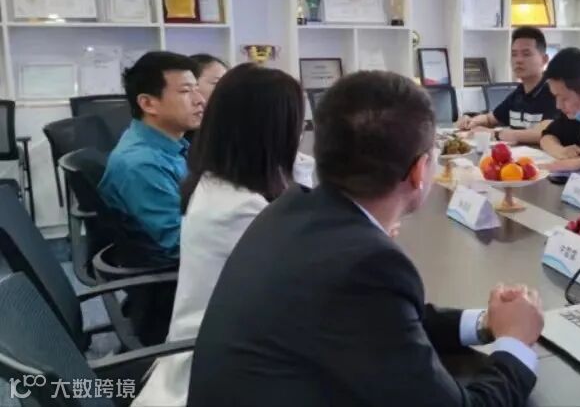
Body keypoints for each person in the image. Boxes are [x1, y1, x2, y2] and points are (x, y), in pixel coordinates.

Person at [188, 71, 544, 407]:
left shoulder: (291, 210)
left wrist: (485, 322)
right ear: (420, 171)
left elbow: (388, 322)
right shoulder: (366, 264)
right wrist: (515, 343)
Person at [134, 64, 303, 407]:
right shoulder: (242, 208)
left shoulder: (217, 181)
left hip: (220, 346)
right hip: (218, 372)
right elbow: (304, 288)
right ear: (275, 131)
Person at [98, 51, 204, 265]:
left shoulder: (170, 146)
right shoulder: (141, 164)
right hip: (177, 273)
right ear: (148, 104)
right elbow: (180, 244)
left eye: (197, 89)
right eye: (185, 91)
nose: (200, 100)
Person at [455, 27, 558, 145]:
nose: (518, 60)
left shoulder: (554, 91)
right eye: (514, 54)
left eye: (526, 54)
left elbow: (544, 132)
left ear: (544, 60)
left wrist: (495, 134)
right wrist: (472, 121)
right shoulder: (519, 93)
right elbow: (490, 119)